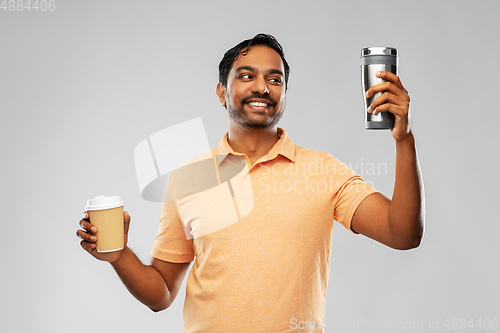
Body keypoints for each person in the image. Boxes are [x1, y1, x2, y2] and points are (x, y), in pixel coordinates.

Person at [77, 33, 424, 332]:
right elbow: (162, 292)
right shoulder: (190, 178)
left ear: (285, 94)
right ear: (221, 92)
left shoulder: (322, 170)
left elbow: (403, 233)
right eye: (246, 75)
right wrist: (119, 255)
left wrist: (404, 139)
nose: (262, 87)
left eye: (275, 79)